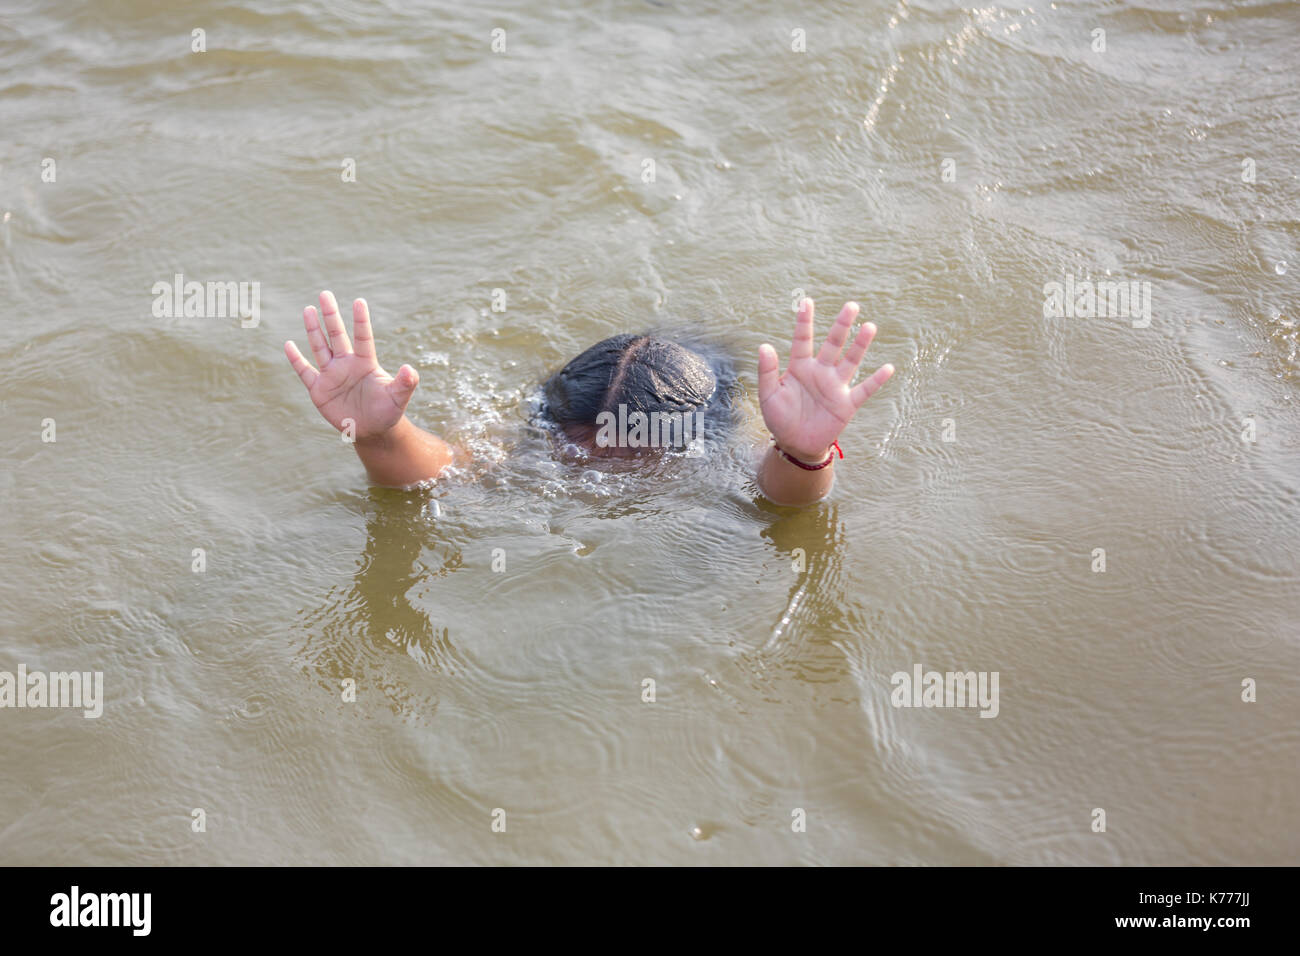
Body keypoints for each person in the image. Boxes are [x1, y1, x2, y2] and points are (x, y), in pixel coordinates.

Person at [284, 291, 894, 506]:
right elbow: (445, 474)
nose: (591, 478)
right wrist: (379, 435)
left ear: (673, 450)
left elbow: (778, 499)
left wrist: (802, 452)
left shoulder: (710, 452)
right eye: (578, 454)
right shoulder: (540, 445)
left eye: (626, 461)